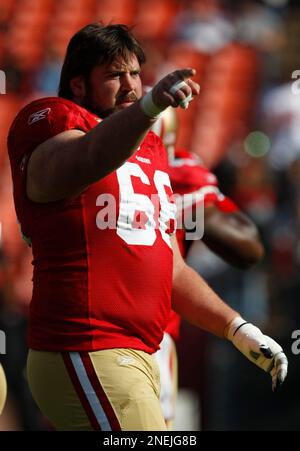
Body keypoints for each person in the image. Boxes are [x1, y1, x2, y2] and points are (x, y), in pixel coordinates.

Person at [7, 23, 287, 431]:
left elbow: (169, 268)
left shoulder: (151, 150)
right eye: (114, 75)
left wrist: (235, 327)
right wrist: (150, 108)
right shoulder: (52, 119)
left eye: (135, 73)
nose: (130, 86)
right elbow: (88, 157)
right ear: (79, 85)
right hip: (90, 346)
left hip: (142, 353)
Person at [152, 108, 265, 428]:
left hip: (146, 335)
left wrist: (187, 208)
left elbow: (249, 248)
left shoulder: (174, 175)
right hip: (79, 330)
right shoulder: (79, 160)